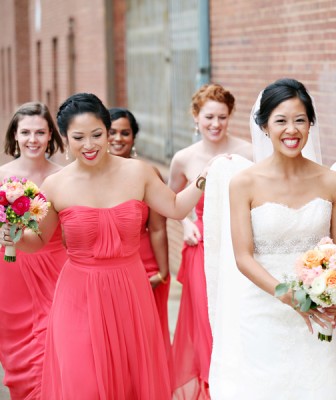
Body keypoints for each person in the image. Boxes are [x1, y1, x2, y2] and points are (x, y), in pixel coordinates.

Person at [0, 93, 209, 399]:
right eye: (79, 137)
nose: (89, 145)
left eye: (97, 135)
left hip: (130, 291)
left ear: (108, 131)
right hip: (77, 295)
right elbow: (40, 240)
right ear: (64, 137)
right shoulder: (56, 184)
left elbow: (176, 207)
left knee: (130, 379)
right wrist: (14, 236)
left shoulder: (138, 172)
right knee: (83, 381)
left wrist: (204, 178)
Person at [218, 78, 336, 398]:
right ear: (264, 126)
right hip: (263, 308)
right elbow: (243, 257)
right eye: (281, 121)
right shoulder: (243, 183)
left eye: (300, 120)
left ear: (310, 124)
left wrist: (334, 298)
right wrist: (288, 295)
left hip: (318, 311)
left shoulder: (334, 182)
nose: (291, 130)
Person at [168, 83, 252, 398]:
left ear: (230, 117)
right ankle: (209, 389)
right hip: (200, 251)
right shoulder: (184, 158)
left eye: (222, 117)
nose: (215, 124)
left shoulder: (248, 152)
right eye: (209, 118)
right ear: (196, 117)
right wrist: (186, 223)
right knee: (206, 322)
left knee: (235, 320)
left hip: (238, 248)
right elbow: (170, 202)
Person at [0, 102, 68, 400]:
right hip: (11, 270)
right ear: (14, 135)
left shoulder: (63, 176)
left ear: (50, 135)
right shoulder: (1, 175)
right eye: (25, 132)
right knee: (21, 347)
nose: (33, 139)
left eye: (40, 132)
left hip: (57, 268)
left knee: (60, 340)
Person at [108, 107, 173, 387]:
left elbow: (158, 227)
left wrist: (162, 272)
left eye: (125, 132)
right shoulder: (89, 175)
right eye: (111, 132)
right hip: (105, 267)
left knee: (145, 336)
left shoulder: (148, 172)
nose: (118, 138)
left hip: (143, 264)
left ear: (134, 137)